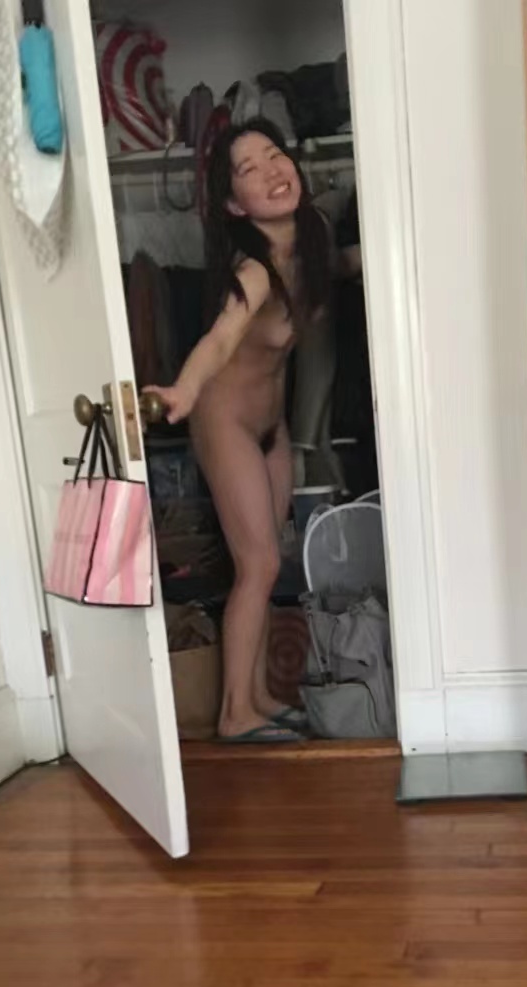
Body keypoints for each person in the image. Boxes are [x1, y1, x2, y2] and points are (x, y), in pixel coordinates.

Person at [146, 118, 331, 744]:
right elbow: (221, 338)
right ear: (233, 204)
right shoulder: (253, 271)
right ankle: (234, 715)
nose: (273, 171)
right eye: (250, 169)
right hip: (224, 421)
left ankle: (256, 698)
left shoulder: (312, 240)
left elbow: (340, 270)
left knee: (267, 563)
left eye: (276, 155)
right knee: (257, 564)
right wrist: (184, 390)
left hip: (271, 425)